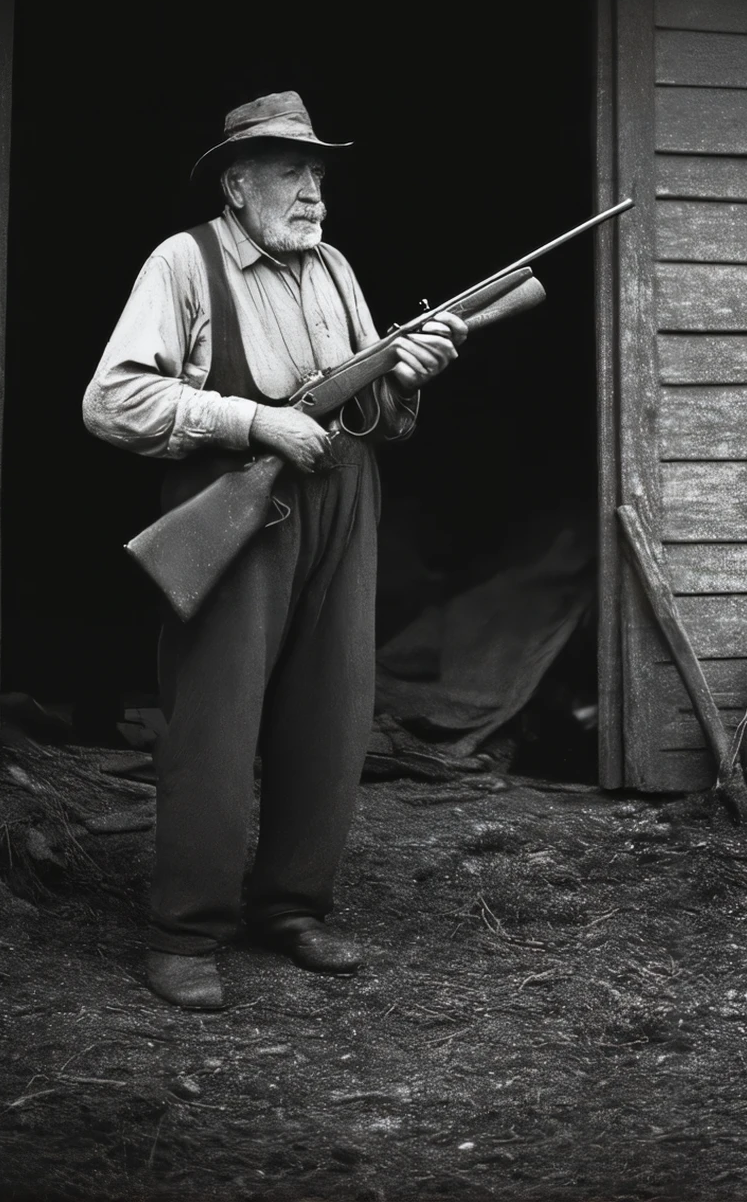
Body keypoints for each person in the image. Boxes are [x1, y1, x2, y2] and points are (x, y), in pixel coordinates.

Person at [83, 91, 464, 1010]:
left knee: (330, 713)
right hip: (236, 506)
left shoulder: (334, 267)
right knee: (214, 721)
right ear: (237, 181)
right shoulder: (182, 261)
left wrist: (411, 376)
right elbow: (111, 399)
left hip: (343, 501)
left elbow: (371, 409)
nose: (314, 195)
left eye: (320, 175)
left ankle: (290, 909)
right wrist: (256, 420)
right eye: (293, 173)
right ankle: (185, 932)